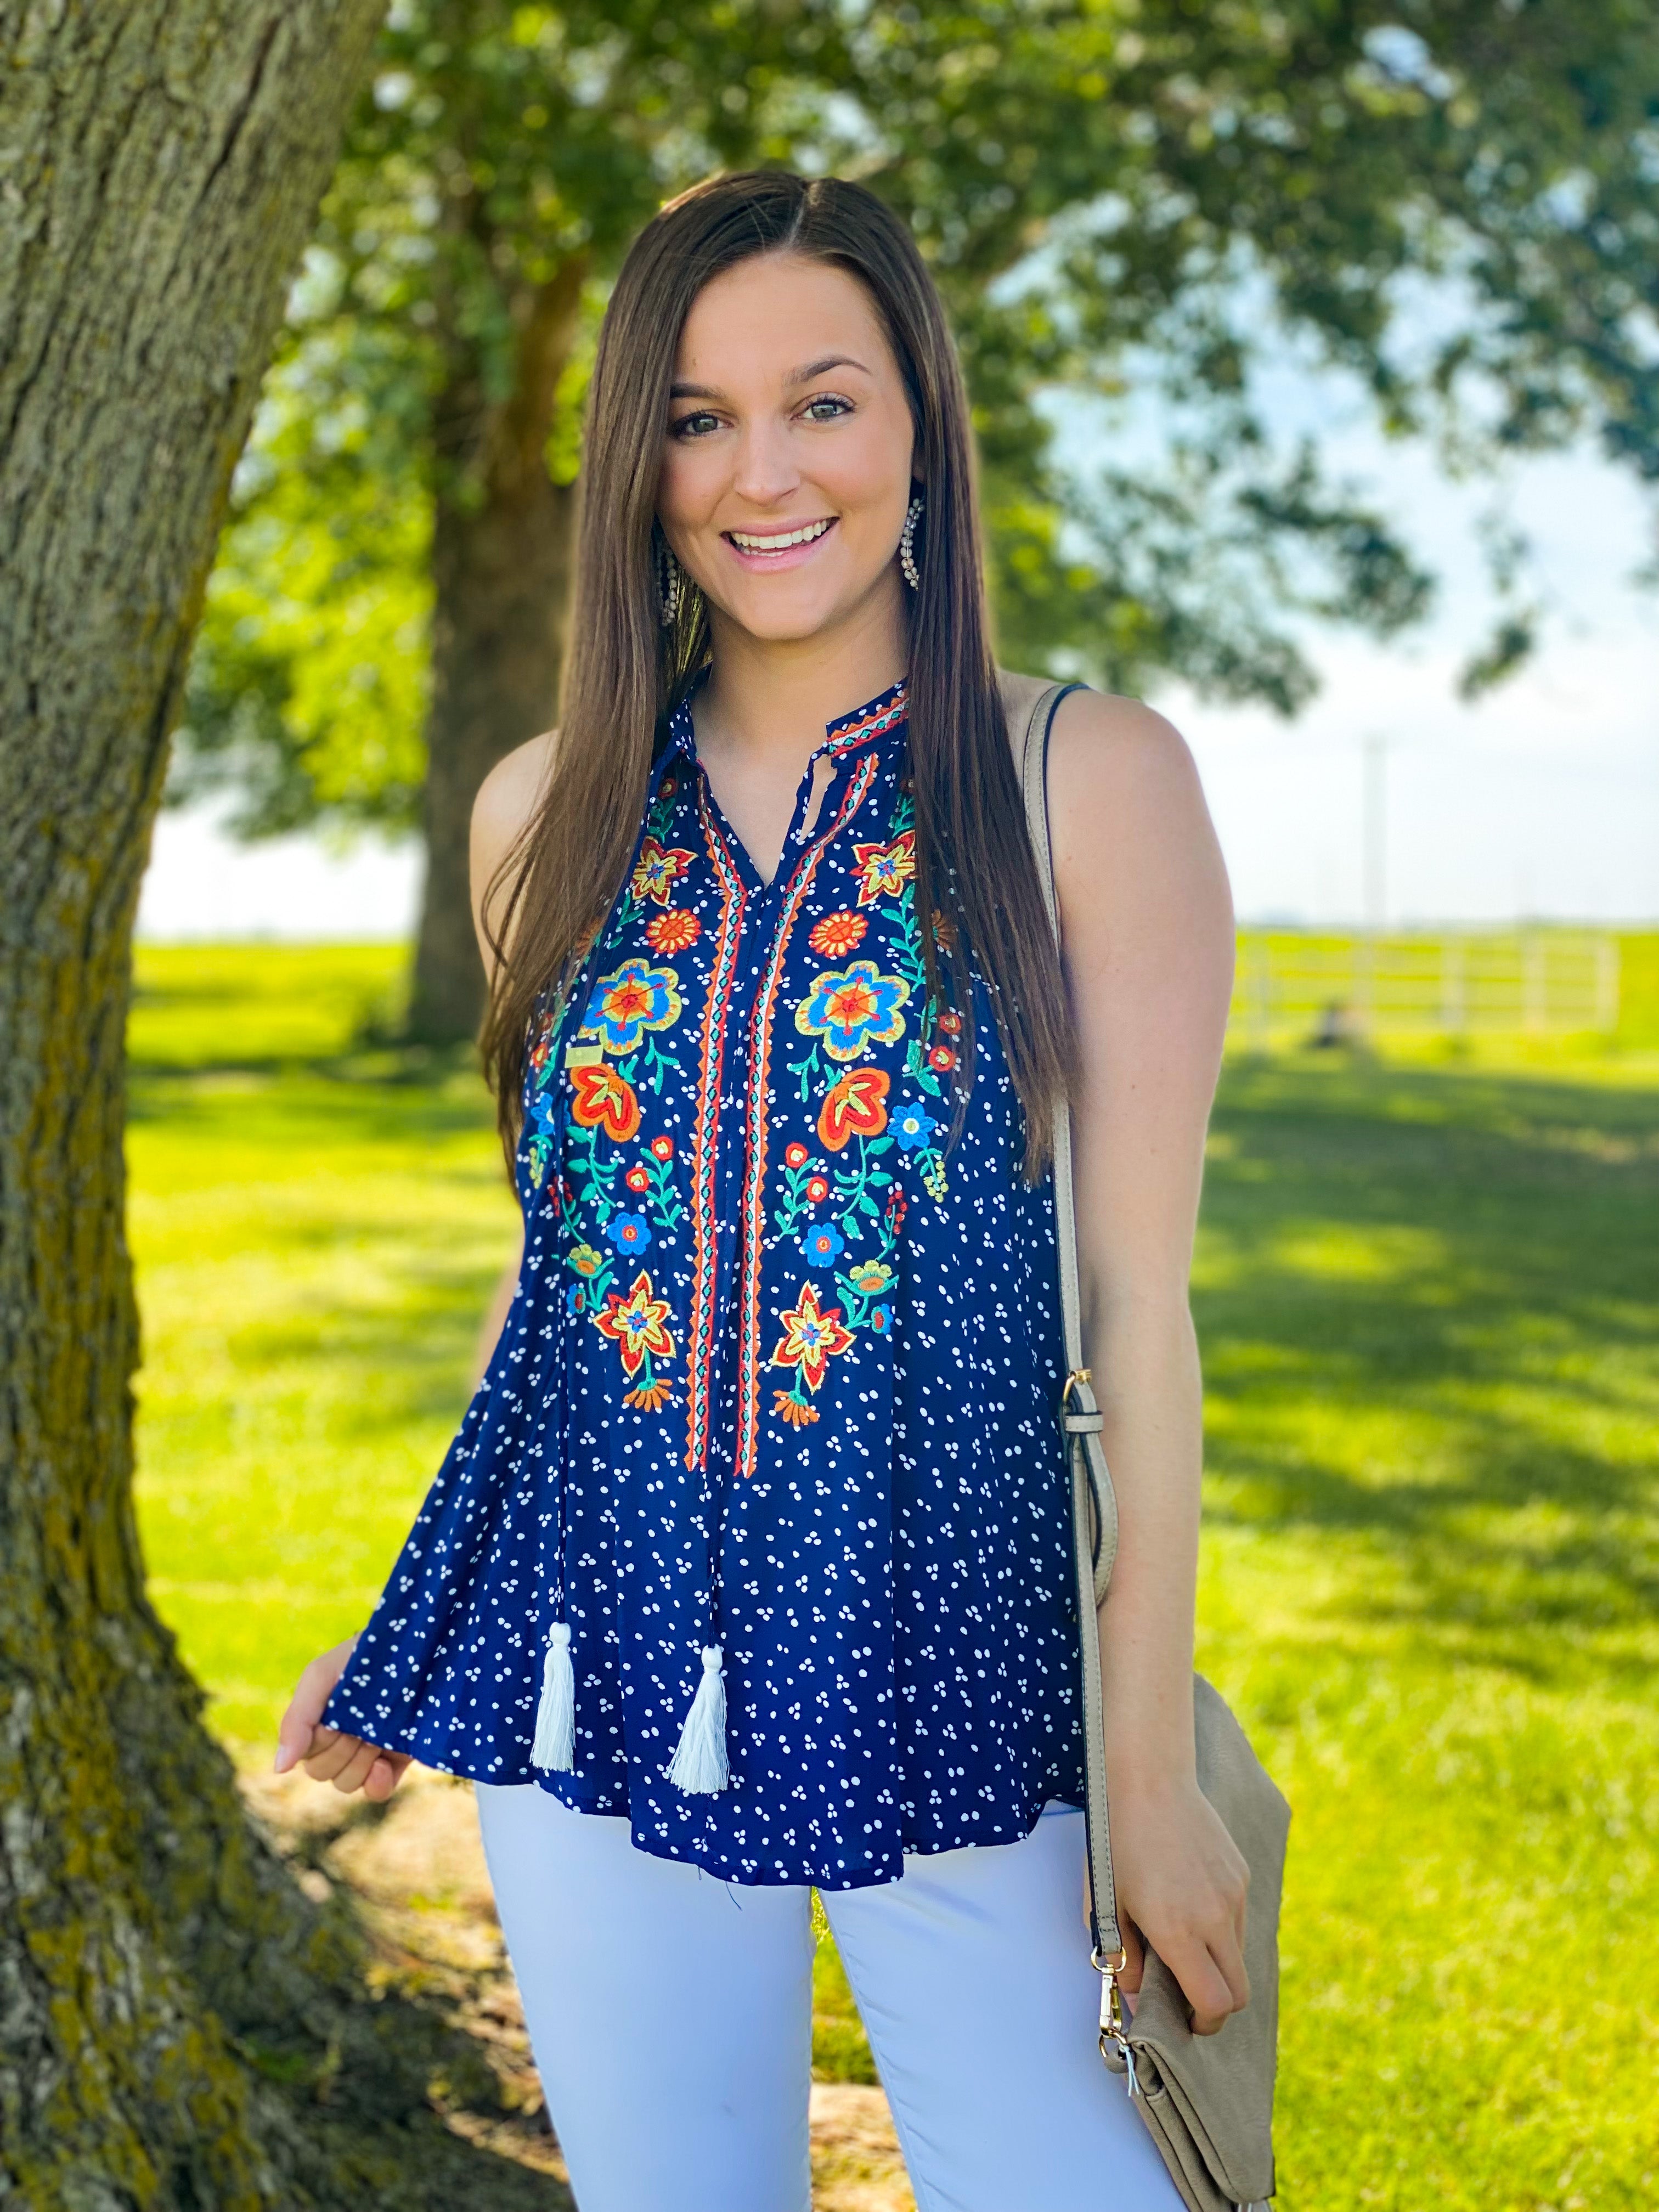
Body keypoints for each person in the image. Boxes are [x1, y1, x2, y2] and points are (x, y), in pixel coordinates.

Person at [276, 169, 1245, 2212]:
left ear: (920, 429)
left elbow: (1136, 1311)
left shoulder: (1088, 778)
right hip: (592, 1648)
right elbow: (561, 1276)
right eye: (700, 418)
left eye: (824, 401)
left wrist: (1146, 1780)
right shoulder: (541, 811)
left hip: (966, 1664)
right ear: (640, 458)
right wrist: (412, 1611)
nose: (761, 473)